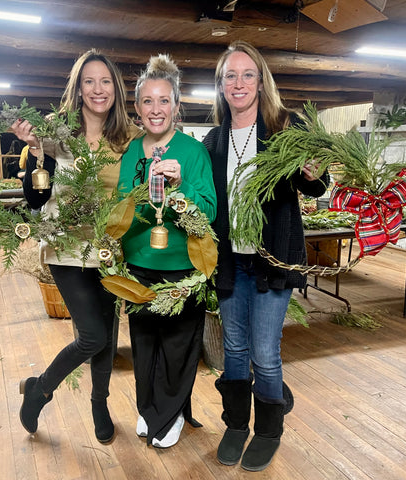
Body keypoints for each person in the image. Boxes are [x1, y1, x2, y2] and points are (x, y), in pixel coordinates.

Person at [202, 41, 329, 471]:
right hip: (230, 262)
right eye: (229, 77)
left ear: (260, 82)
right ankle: (236, 424)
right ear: (221, 87)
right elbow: (207, 199)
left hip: (271, 258)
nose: (238, 84)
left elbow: (315, 185)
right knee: (234, 349)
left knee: (264, 351)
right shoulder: (214, 140)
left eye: (246, 75)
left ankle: (269, 430)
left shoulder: (283, 128)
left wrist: (315, 171)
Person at [10, 49, 141, 443]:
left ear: (116, 88)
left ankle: (99, 403)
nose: (98, 89)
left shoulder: (130, 138)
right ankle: (41, 389)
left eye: (105, 81)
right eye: (89, 81)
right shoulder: (55, 133)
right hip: (66, 245)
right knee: (93, 335)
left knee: (108, 332)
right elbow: (35, 200)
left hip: (109, 248)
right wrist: (35, 151)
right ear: (78, 88)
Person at [117, 54, 217, 448]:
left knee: (177, 345)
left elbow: (207, 210)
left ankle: (170, 414)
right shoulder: (131, 152)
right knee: (144, 344)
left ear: (177, 107)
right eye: (147, 102)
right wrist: (143, 196)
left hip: (183, 266)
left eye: (164, 101)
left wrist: (179, 187)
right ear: (137, 108)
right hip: (139, 264)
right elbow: (123, 206)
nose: (155, 110)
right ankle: (149, 409)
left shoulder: (193, 153)